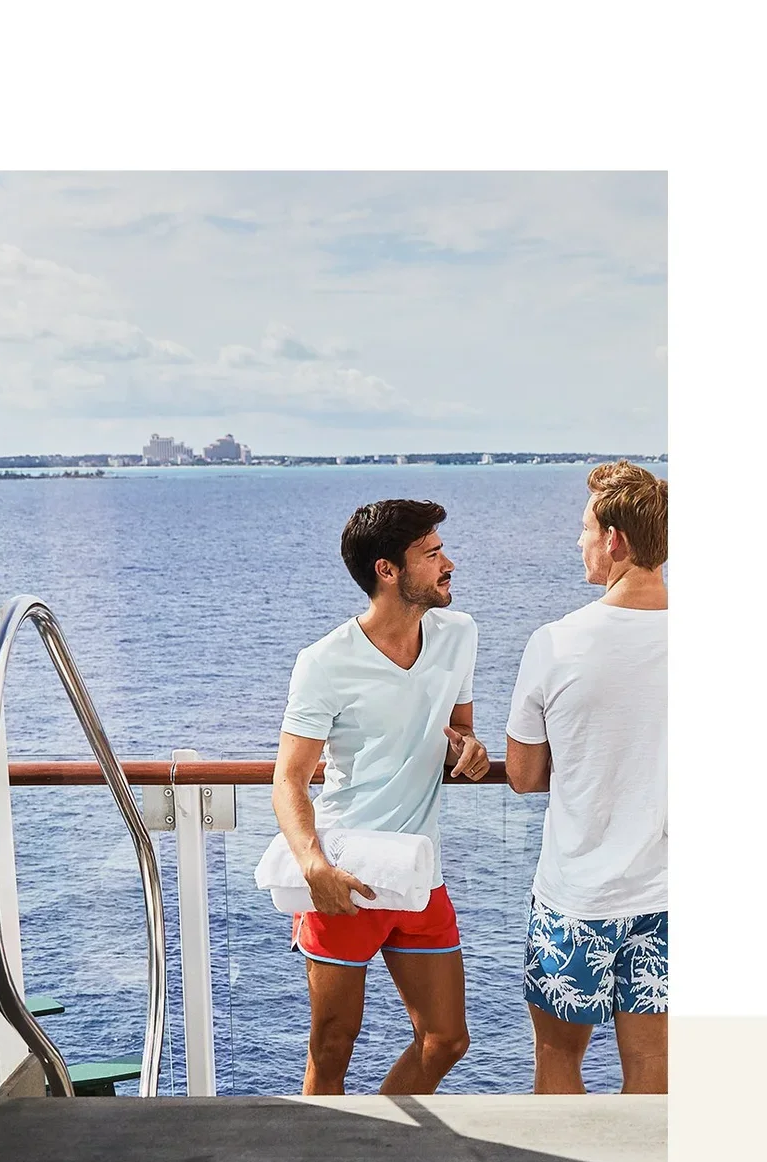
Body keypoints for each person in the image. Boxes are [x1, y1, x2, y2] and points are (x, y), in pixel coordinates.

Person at [272, 498, 490, 1096]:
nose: (450, 563)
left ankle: (376, 1143)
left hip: (420, 871)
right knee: (333, 1046)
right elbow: (289, 780)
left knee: (446, 1039)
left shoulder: (459, 634)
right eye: (433, 553)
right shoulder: (324, 662)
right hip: (344, 872)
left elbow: (459, 730)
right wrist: (314, 867)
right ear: (388, 571)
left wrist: (464, 751)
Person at [505, 461, 667, 1094]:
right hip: (668, 894)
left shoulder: (557, 643)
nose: (579, 542)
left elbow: (522, 775)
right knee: (655, 1074)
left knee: (558, 1061)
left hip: (577, 897)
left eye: (584, 529)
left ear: (615, 541)